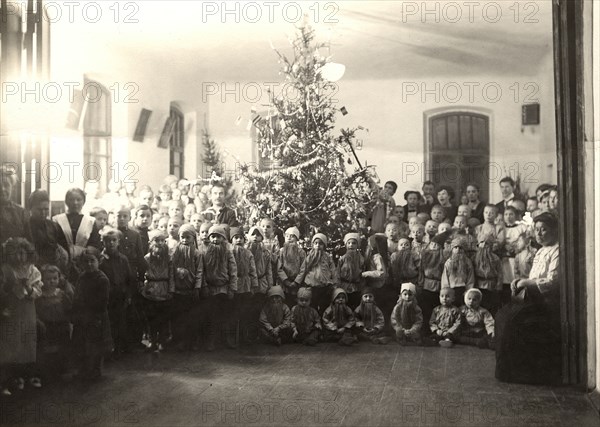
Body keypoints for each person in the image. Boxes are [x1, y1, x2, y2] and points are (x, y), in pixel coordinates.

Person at [495, 212, 561, 385]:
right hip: (532, 297)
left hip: (545, 301)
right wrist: (520, 280)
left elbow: (552, 282)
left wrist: (526, 282)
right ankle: (507, 371)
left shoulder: (557, 250)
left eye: (544, 230)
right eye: (537, 230)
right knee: (502, 316)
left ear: (554, 230)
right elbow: (532, 277)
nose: (539, 234)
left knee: (512, 321)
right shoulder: (540, 251)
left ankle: (521, 373)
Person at [0, 238, 42, 395]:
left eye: (22, 253)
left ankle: (25, 376)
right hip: (11, 310)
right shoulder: (5, 270)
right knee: (11, 343)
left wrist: (29, 288)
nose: (19, 257)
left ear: (28, 254)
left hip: (27, 310)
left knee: (27, 341)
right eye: (15, 254)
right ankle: (10, 379)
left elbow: (38, 291)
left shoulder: (32, 270)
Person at [71, 248, 112, 380]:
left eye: (92, 261)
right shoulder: (82, 277)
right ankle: (83, 369)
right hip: (82, 316)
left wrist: (93, 315)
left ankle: (95, 370)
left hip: (96, 316)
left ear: (98, 261)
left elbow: (102, 302)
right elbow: (77, 295)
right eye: (86, 261)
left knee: (96, 344)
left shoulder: (102, 279)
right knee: (82, 343)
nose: (89, 264)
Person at [99, 229, 135, 357]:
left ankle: (121, 348)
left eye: (114, 240)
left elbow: (129, 278)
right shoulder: (101, 260)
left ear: (118, 242)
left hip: (121, 295)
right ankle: (109, 349)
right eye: (108, 241)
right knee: (109, 323)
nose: (111, 243)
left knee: (121, 322)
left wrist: (129, 295)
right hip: (107, 297)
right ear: (103, 242)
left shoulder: (123, 259)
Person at [35, 265, 74, 382]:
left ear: (59, 279)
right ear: (42, 280)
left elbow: (69, 308)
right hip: (47, 325)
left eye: (54, 278)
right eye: (48, 279)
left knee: (62, 347)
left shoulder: (61, 294)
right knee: (48, 348)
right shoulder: (39, 295)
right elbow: (36, 310)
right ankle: (49, 372)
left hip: (61, 324)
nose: (52, 281)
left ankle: (62, 371)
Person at [202, 225, 237, 351]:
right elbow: (203, 271)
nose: (216, 239)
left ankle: (226, 339)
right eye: (213, 236)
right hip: (211, 288)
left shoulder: (228, 252)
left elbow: (233, 271)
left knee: (225, 315)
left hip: (224, 288)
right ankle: (211, 340)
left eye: (219, 237)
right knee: (212, 316)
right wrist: (204, 286)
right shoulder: (205, 252)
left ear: (223, 238)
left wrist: (232, 288)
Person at [170, 224, 203, 352]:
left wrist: (197, 287)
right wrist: (172, 288)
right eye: (182, 237)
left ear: (193, 238)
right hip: (178, 290)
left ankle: (191, 342)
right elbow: (171, 272)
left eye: (188, 237)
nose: (184, 240)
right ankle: (178, 341)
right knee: (178, 318)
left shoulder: (197, 253)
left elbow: (199, 272)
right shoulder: (176, 252)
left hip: (191, 290)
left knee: (191, 318)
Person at [140, 230, 173, 352]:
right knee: (152, 318)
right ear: (151, 242)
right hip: (151, 290)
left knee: (164, 318)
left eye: (162, 241)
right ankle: (152, 341)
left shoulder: (169, 258)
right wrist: (145, 288)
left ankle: (162, 341)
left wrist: (171, 289)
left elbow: (172, 275)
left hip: (164, 289)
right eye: (156, 240)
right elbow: (143, 274)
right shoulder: (147, 259)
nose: (159, 243)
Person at [294, 233, 338, 314]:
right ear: (313, 244)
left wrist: (335, 283)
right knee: (312, 304)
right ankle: (313, 321)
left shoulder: (327, 256)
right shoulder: (310, 256)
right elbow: (303, 269)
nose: (318, 245)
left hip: (324, 285)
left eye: (320, 243)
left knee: (323, 304)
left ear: (324, 246)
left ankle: (322, 320)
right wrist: (297, 281)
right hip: (312, 285)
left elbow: (333, 270)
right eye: (316, 243)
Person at [28, 190, 69, 273]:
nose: (43, 213)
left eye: (46, 209)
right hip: (33, 271)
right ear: (31, 208)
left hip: (54, 272)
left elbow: (65, 249)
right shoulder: (25, 226)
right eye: (39, 209)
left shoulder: (54, 226)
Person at [53, 188, 101, 259]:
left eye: (78, 200)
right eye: (71, 200)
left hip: (84, 259)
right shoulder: (57, 219)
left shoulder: (90, 221)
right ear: (66, 201)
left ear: (83, 201)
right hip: (62, 258)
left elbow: (95, 243)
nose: (75, 203)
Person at [230, 227, 258, 344]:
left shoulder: (248, 253)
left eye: (241, 238)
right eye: (236, 238)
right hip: (234, 285)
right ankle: (232, 338)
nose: (238, 240)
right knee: (233, 312)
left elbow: (253, 271)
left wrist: (254, 286)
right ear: (231, 240)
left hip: (245, 285)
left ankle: (243, 336)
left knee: (244, 312)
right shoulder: (229, 253)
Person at [0, 165, 31, 244]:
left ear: (12, 187)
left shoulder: (21, 212)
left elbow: (31, 242)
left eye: (6, 185)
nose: (2, 189)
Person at [277, 227, 306, 307]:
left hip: (296, 283)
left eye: (292, 236)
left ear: (297, 239)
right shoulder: (282, 251)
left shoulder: (301, 252)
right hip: (285, 283)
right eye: (287, 236)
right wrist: (286, 281)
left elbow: (303, 269)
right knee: (285, 302)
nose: (289, 238)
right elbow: (279, 268)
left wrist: (296, 282)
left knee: (296, 302)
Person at [441, 236, 475, 305]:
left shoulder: (468, 262)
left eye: (460, 248)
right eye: (455, 247)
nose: (458, 250)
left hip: (463, 289)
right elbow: (445, 278)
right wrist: (446, 290)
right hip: (451, 289)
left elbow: (470, 278)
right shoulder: (448, 262)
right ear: (452, 249)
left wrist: (468, 290)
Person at [337, 233, 364, 309]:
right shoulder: (342, 258)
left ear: (357, 245)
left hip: (356, 285)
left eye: (354, 243)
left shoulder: (360, 258)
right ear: (346, 245)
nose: (351, 245)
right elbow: (338, 272)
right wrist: (338, 285)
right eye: (349, 243)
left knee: (355, 302)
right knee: (345, 303)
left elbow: (363, 270)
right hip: (344, 284)